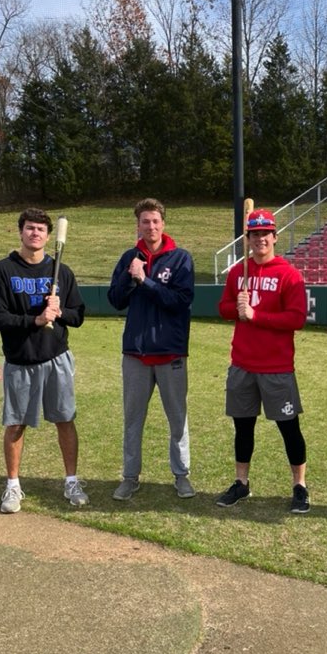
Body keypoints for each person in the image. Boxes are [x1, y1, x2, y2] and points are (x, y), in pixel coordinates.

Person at [0, 208, 88, 514]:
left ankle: (71, 480)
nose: (35, 234)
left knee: (65, 419)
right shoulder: (3, 270)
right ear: (21, 232)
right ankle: (13, 486)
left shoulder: (62, 271)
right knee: (16, 424)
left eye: (41, 230)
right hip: (20, 360)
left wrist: (59, 313)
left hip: (56, 358)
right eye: (30, 228)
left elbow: (78, 315)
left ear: (48, 235)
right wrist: (36, 319)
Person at [217, 209, 310, 513]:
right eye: (254, 234)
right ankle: (241, 483)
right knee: (243, 428)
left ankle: (299, 486)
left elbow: (296, 318)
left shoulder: (288, 274)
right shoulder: (237, 273)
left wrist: (256, 315)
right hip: (242, 364)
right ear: (248, 239)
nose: (260, 239)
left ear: (275, 237)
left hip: (277, 368)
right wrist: (237, 307)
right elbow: (223, 309)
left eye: (265, 234)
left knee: (289, 427)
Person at [107, 198, 195, 500]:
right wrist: (131, 277)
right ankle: (130, 477)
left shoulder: (181, 258)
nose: (151, 226)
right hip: (135, 354)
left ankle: (181, 475)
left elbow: (180, 301)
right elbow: (115, 300)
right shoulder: (129, 257)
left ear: (163, 224)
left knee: (177, 419)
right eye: (145, 221)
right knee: (132, 420)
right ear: (138, 225)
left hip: (170, 353)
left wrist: (146, 281)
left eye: (156, 221)